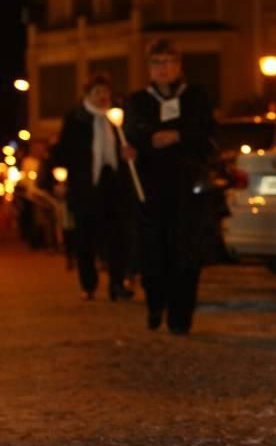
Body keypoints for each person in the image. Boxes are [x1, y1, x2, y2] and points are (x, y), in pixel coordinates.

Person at [123, 39, 216, 335]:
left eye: (168, 62)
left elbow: (206, 135)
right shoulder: (138, 101)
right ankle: (154, 304)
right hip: (150, 190)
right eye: (157, 62)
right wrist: (142, 143)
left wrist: (178, 136)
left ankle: (180, 316)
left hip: (187, 189)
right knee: (153, 251)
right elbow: (131, 134)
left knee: (186, 253)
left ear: (179, 65)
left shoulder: (197, 97)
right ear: (149, 68)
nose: (163, 69)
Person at [51, 73, 136, 301]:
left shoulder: (116, 119)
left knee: (117, 237)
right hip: (85, 186)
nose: (102, 97)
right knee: (85, 239)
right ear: (87, 95)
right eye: (97, 93)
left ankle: (117, 283)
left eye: (106, 93)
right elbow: (63, 151)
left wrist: (128, 152)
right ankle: (88, 284)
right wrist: (61, 180)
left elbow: (129, 144)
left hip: (113, 185)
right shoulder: (76, 119)